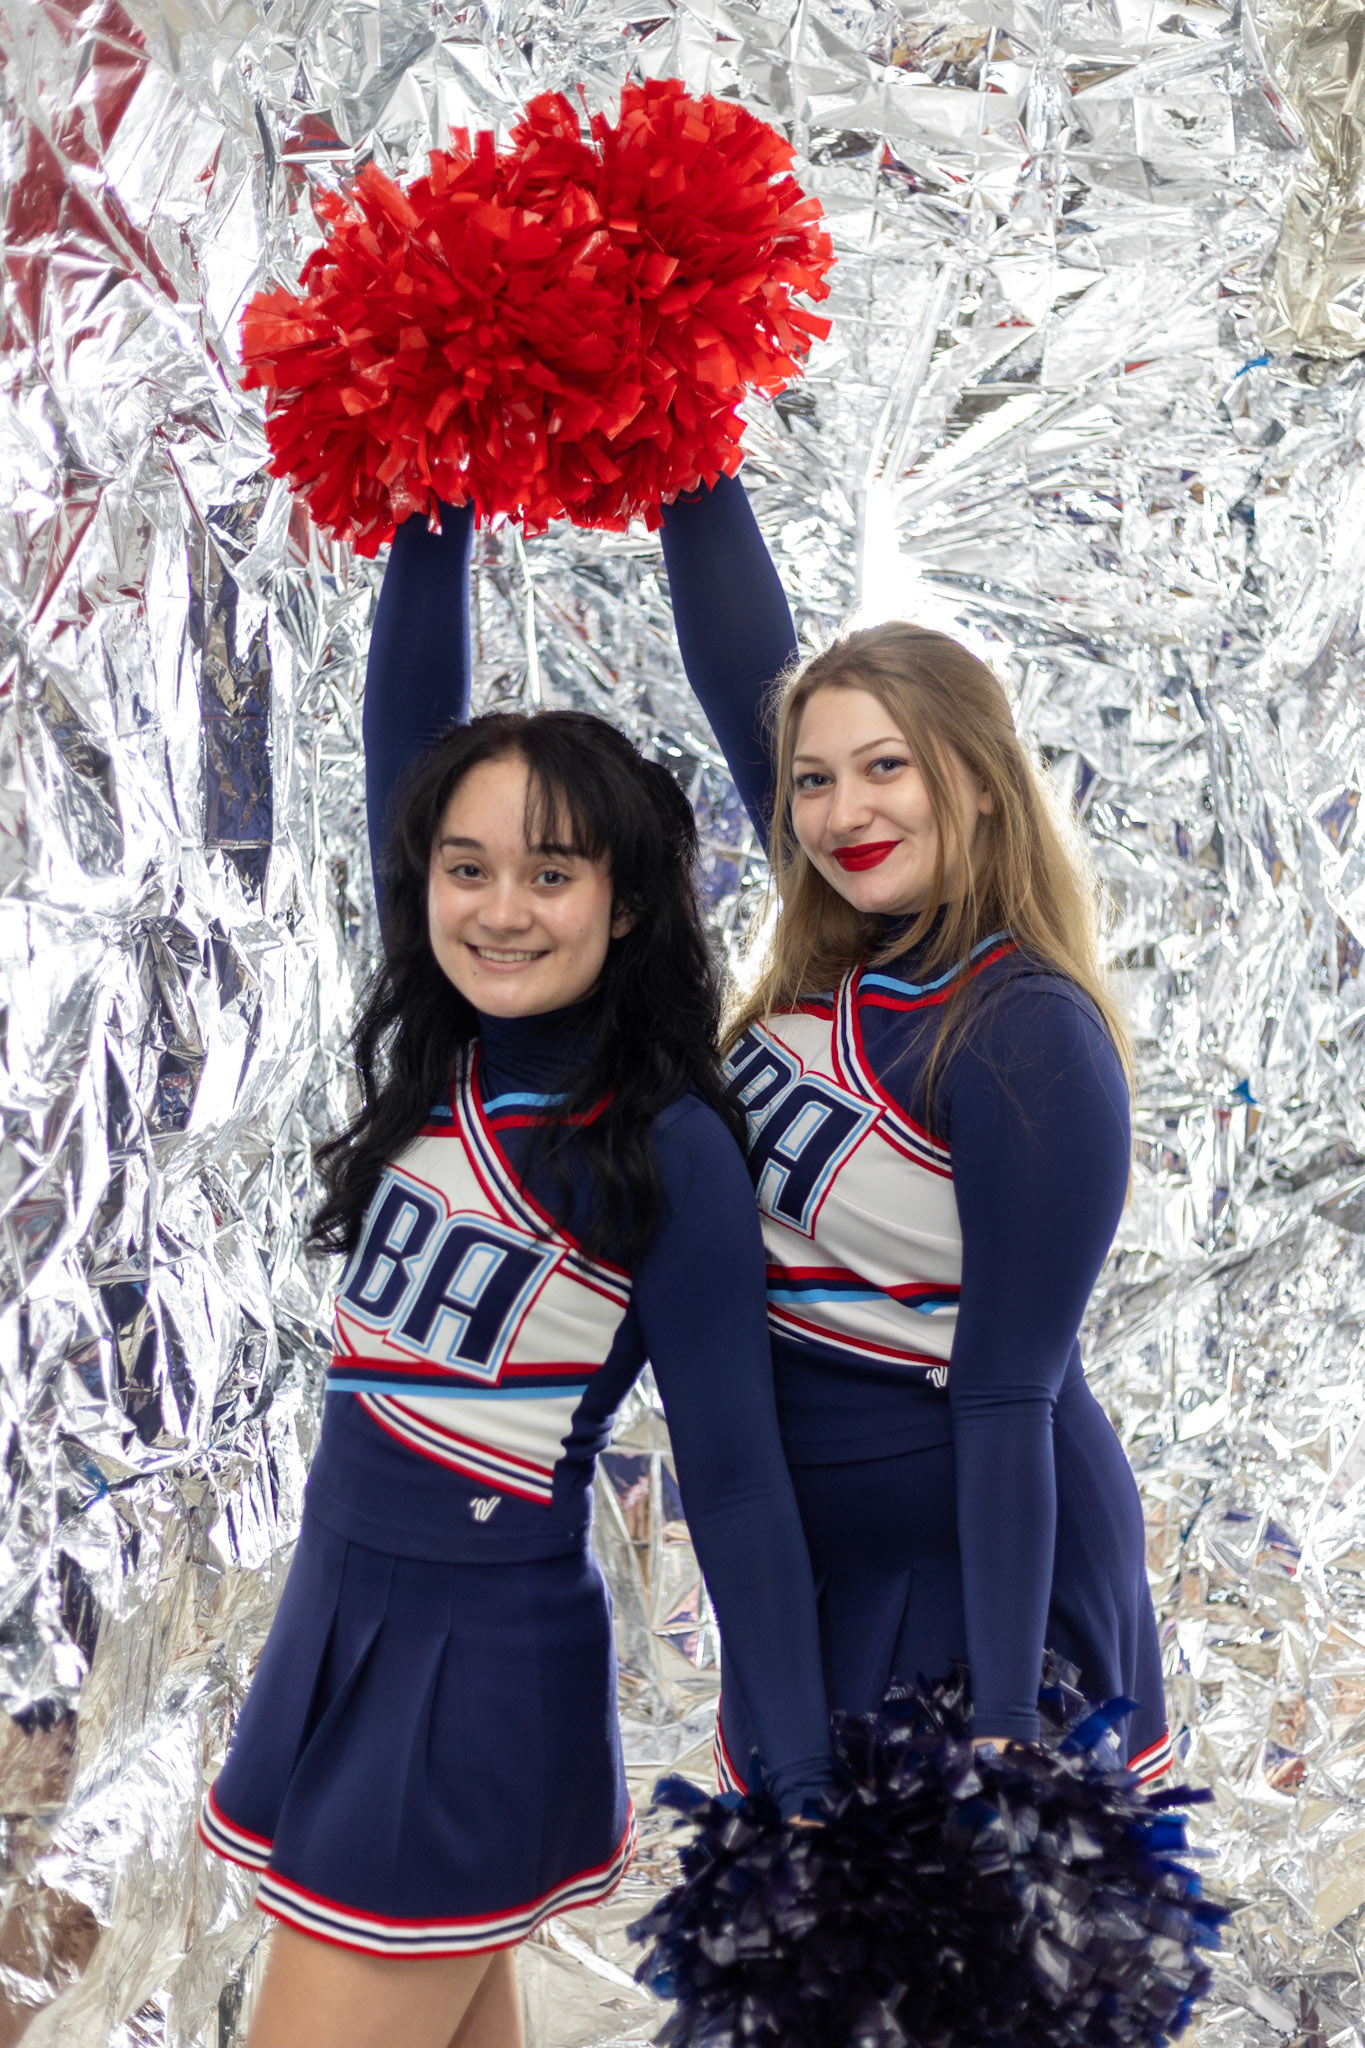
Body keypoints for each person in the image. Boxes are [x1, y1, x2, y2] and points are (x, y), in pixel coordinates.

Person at [197, 499, 831, 2048]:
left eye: (550, 876)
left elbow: (735, 1480)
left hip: (467, 1674)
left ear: (627, 901)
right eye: (465, 868)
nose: (498, 907)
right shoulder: (451, 1057)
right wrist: (428, 481)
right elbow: (401, 738)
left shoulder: (669, 1141)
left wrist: (804, 1791)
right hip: (342, 1625)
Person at [655, 471, 1172, 1789]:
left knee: (935, 1984)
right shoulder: (850, 951)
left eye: (886, 767)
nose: (841, 813)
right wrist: (672, 427)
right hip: (822, 1581)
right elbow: (743, 677)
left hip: (982, 1591)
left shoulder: (1020, 1027)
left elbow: (1009, 1394)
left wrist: (1002, 1728)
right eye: (815, 780)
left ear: (980, 784)